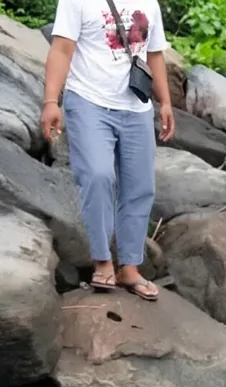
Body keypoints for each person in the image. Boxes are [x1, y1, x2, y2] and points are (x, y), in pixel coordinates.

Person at [40, 0, 176, 301]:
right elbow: (62, 49)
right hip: (88, 101)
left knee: (140, 187)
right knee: (97, 175)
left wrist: (164, 102)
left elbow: (153, 54)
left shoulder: (149, 3)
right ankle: (102, 262)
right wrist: (51, 102)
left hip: (136, 108)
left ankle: (129, 267)